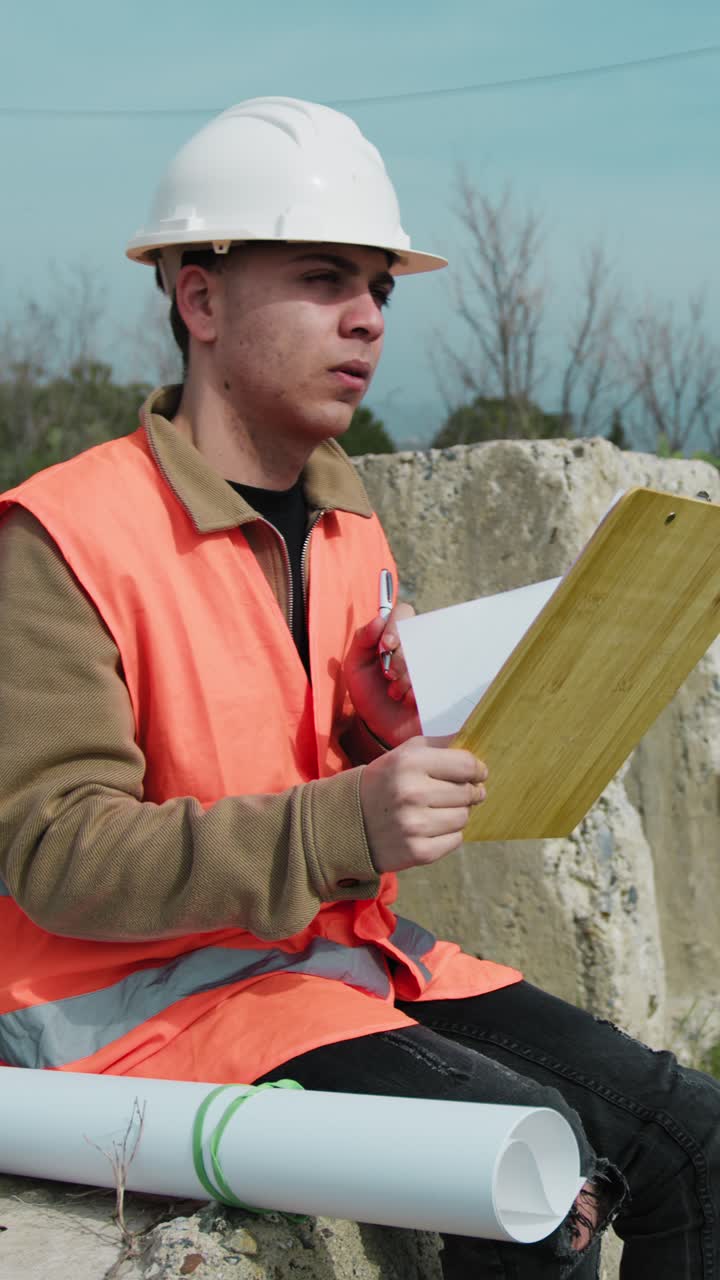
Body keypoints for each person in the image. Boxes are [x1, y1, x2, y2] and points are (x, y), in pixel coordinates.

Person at [0, 96, 718, 1279]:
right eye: (328, 276)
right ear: (200, 299)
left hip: (334, 960)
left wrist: (375, 737)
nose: (368, 318)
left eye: (383, 288)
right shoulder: (64, 534)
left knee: (697, 1137)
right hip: (129, 1013)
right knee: (535, 1175)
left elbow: (280, 763)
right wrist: (350, 815)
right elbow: (54, 852)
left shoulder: (348, 523)